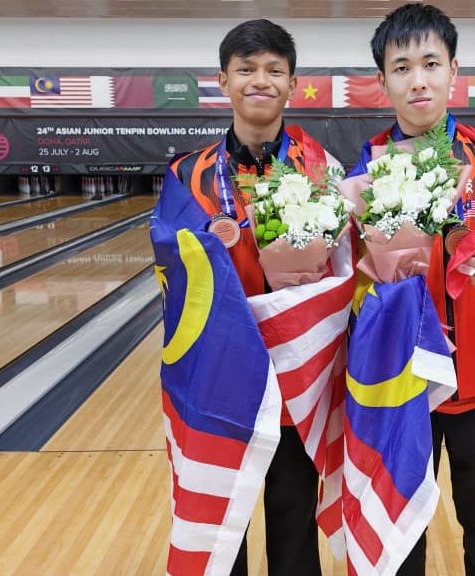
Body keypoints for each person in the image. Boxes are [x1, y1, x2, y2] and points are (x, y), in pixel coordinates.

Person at [347, 4, 475, 576]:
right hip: (401, 381)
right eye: (402, 67)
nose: (418, 80)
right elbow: (345, 281)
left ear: (454, 71)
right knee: (399, 535)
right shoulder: (364, 172)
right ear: (383, 80)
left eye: (431, 64)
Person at [165, 19, 337, 576]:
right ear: (223, 80)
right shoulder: (186, 176)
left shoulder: (324, 171)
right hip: (219, 380)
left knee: (294, 525)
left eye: (273, 70)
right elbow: (169, 273)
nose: (259, 80)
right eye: (245, 69)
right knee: (222, 530)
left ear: (292, 84)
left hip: (296, 381)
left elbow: (344, 275)